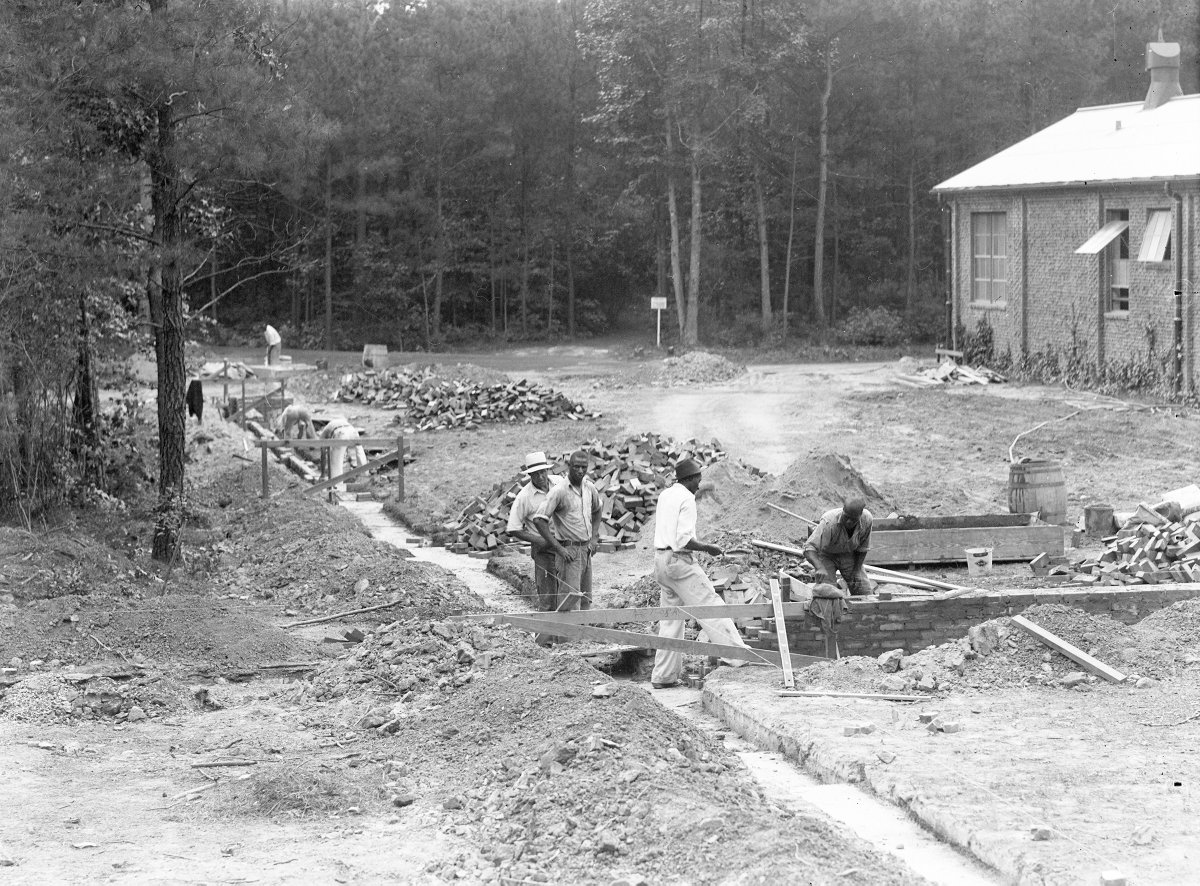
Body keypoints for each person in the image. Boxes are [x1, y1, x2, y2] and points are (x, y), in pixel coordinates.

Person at [649, 457, 753, 689]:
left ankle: (663, 677)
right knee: (709, 604)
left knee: (671, 620)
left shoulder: (666, 495)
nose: (700, 483)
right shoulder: (687, 498)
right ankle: (738, 656)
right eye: (698, 478)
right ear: (689, 479)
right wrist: (708, 548)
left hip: (660, 561)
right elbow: (684, 539)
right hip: (679, 561)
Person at [533, 449, 602, 612]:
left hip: (586, 550)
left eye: (584, 467)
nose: (580, 471)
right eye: (576, 467)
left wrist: (594, 538)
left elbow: (598, 509)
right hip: (568, 552)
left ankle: (582, 637)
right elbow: (539, 520)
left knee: (585, 598)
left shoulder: (589, 488)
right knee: (570, 601)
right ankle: (567, 638)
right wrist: (559, 548)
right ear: (569, 466)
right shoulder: (559, 491)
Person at [506, 452, 564, 641]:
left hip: (564, 546)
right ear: (530, 475)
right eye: (536, 474)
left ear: (547, 470)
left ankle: (565, 640)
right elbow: (513, 528)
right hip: (544, 551)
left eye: (543, 472)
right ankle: (544, 643)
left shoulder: (559, 483)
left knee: (567, 595)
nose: (541, 477)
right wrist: (539, 540)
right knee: (547, 597)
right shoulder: (525, 496)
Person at [804, 496, 873, 597]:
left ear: (860, 515)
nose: (849, 522)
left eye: (853, 519)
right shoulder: (829, 522)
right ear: (843, 510)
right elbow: (809, 547)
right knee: (826, 592)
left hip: (848, 554)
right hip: (826, 555)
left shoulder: (867, 519)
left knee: (863, 590)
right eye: (846, 517)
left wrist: (857, 570)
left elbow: (862, 548)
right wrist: (819, 567)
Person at [320, 415, 367, 491]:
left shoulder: (324, 434)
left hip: (341, 434)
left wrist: (322, 474)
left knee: (335, 462)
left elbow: (323, 455)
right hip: (353, 431)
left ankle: (337, 488)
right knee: (360, 455)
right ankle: (364, 479)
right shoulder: (335, 423)